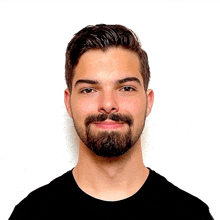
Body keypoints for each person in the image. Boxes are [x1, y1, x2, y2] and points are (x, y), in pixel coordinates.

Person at [9, 24, 214, 220]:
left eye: (126, 88)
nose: (108, 104)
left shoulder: (192, 215)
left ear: (148, 101)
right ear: (68, 103)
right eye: (89, 90)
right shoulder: (30, 215)